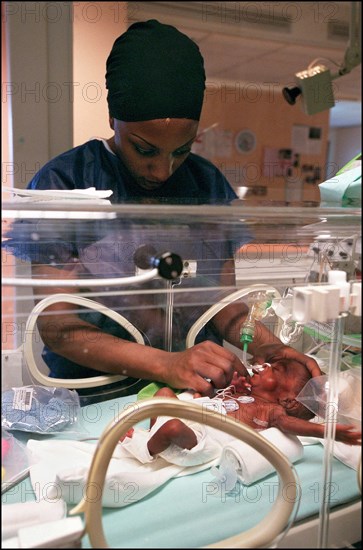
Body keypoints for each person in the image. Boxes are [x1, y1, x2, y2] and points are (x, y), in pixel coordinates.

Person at [5, 20, 322, 397]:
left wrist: (270, 347)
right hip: (95, 396)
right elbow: (59, 328)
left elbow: (219, 303)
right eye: (145, 149)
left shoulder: (206, 184)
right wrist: (166, 364)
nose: (163, 170)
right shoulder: (65, 182)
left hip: (195, 393)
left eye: (182, 150)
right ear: (113, 119)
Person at [131, 360, 361, 464]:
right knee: (162, 394)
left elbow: (290, 425)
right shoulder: (244, 392)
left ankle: (145, 451)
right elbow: (218, 398)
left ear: (287, 399)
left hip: (202, 440)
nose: (264, 367)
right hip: (194, 419)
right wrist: (232, 388)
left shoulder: (271, 410)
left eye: (275, 370)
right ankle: (157, 434)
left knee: (172, 428)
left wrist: (327, 431)